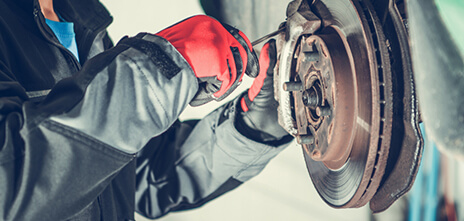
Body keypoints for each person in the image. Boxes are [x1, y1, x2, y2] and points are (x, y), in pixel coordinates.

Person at [0, 0, 292, 220]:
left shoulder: (78, 19)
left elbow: (141, 175)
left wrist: (256, 125)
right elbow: (12, 185)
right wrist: (159, 62)